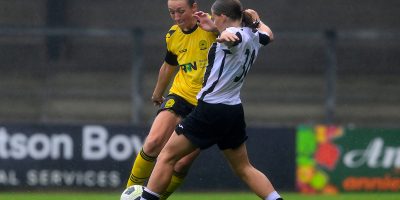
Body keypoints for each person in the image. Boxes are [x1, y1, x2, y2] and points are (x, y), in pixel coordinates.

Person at [140, 0, 283, 200]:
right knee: (244, 168)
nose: (212, 20)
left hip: (210, 110)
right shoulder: (255, 36)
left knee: (166, 156)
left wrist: (223, 35)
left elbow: (230, 38)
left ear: (223, 17)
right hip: (233, 110)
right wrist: (256, 20)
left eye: (214, 17)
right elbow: (269, 34)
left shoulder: (232, 37)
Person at [125, 0, 220, 199]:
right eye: (171, 13)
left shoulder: (212, 26)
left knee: (181, 163)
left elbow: (238, 37)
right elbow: (169, 65)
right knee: (153, 142)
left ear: (194, 7)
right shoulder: (173, 35)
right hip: (180, 94)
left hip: (207, 103)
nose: (176, 17)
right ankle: (128, 194)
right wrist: (157, 93)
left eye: (180, 11)